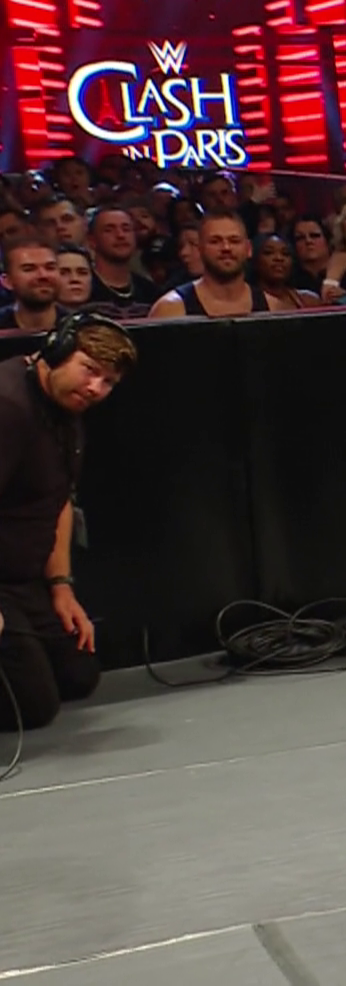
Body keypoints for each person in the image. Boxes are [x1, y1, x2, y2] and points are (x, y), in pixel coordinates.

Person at [0, 305, 137, 730]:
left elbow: (59, 500)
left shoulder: (65, 410)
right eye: (89, 370)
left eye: (108, 382)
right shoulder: (8, 408)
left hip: (24, 579)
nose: (96, 388)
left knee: (78, 675)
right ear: (56, 351)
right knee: (32, 707)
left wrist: (61, 586)